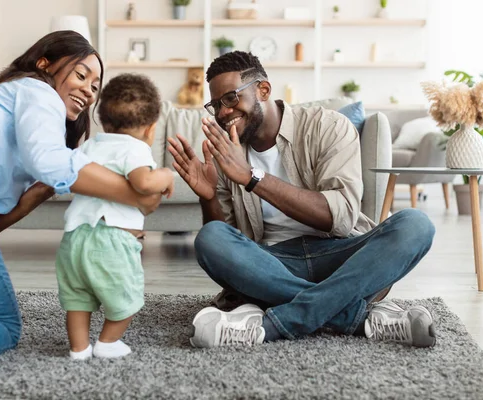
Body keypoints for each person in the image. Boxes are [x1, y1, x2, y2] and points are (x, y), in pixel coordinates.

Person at [0, 31, 161, 374]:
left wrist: (35, 197)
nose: (89, 90)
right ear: (44, 65)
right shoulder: (37, 89)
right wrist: (137, 195)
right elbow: (52, 162)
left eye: (95, 86)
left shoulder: (7, 112)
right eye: (81, 75)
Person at [167, 51, 437, 349]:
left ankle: (267, 326)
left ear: (263, 90)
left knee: (416, 224)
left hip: (343, 257)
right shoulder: (226, 153)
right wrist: (207, 198)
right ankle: (358, 319)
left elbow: (341, 217)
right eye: (215, 105)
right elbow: (230, 242)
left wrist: (252, 177)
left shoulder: (328, 126)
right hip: (272, 264)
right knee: (210, 238)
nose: (222, 113)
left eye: (230, 99)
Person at [55, 73, 174, 360]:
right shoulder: (136, 148)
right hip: (112, 241)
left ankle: (79, 348)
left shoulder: (90, 145)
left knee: (78, 300)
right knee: (128, 296)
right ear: (151, 129)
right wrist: (167, 174)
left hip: (73, 239)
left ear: (103, 120)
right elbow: (143, 183)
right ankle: (108, 341)